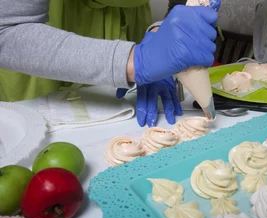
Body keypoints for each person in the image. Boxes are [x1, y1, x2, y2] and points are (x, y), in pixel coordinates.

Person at [0, 0, 218, 127]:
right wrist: (135, 61)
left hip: (133, 30)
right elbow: (6, 28)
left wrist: (161, 33)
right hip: (42, 48)